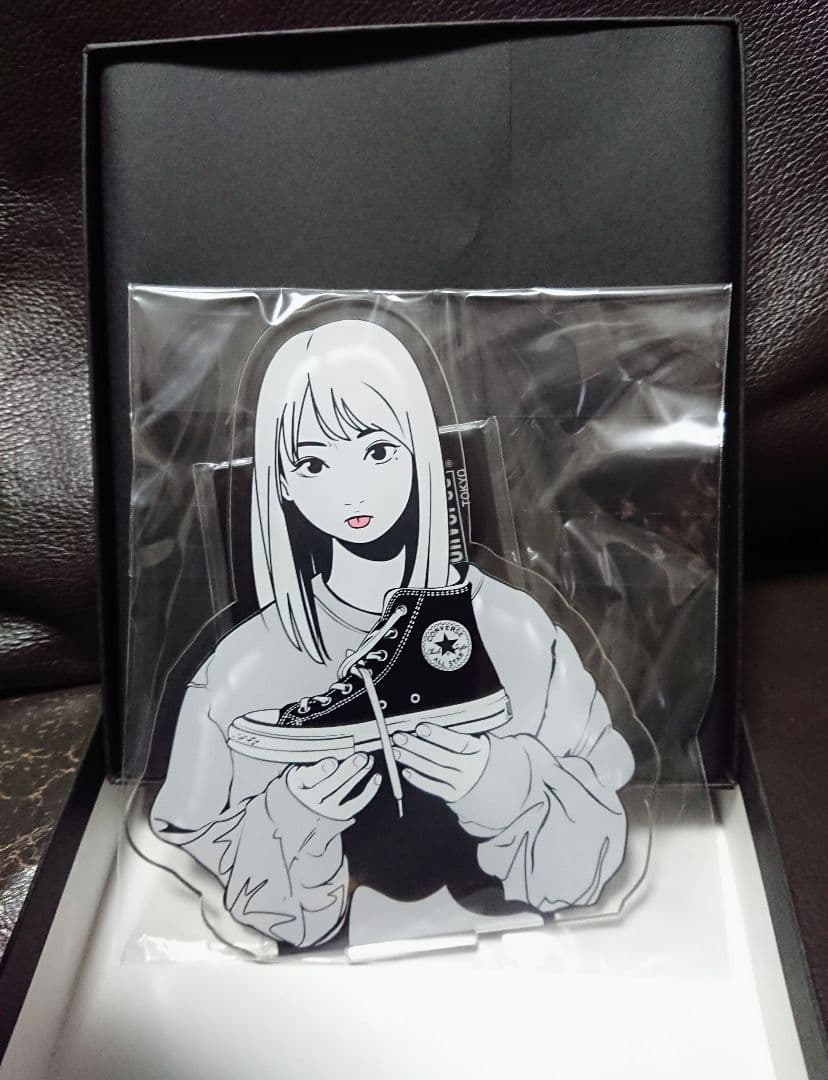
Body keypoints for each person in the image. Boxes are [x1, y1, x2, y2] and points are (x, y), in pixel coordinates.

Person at [151, 315, 635, 950]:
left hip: (518, 967)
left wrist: (501, 781)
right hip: (314, 994)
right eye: (313, 463)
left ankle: (417, 660)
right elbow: (258, 906)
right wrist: (296, 814)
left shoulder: (512, 631)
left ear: (421, 451)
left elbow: (587, 858)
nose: (352, 489)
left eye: (377, 451)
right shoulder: (240, 677)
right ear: (282, 483)